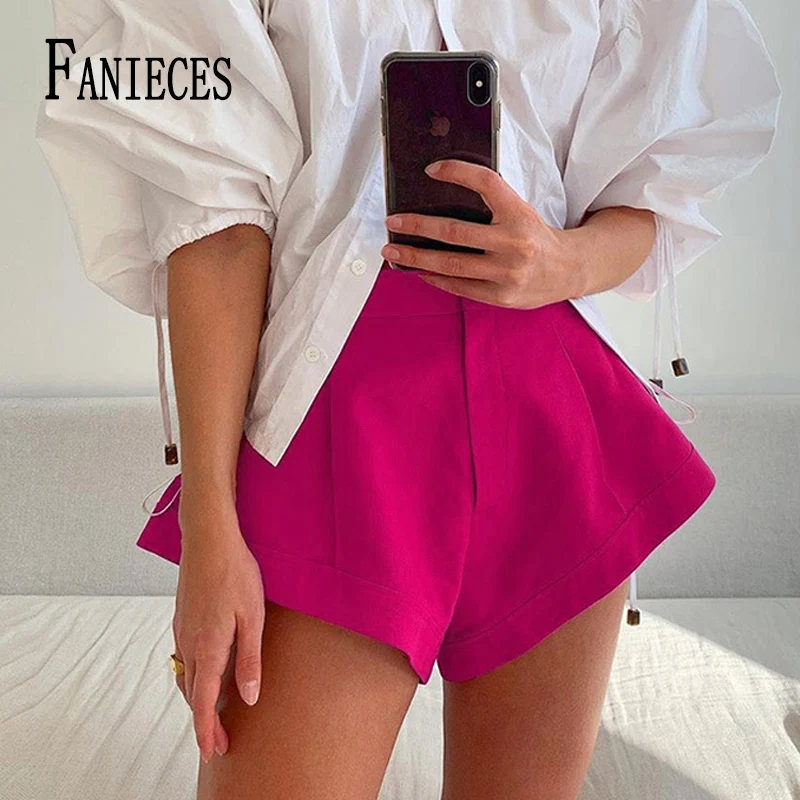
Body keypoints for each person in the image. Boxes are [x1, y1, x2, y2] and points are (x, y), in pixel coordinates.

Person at [36, 1, 780, 798]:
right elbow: (214, 223)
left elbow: (653, 184)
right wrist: (208, 521)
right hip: (336, 428)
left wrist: (564, 261)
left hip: (551, 420)